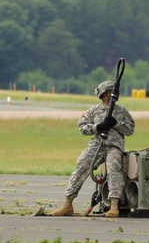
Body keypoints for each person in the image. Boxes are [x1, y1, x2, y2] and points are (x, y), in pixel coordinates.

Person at [51, 80, 135, 217]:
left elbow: (130, 130)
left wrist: (117, 123)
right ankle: (67, 204)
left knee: (114, 170)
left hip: (114, 146)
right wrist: (98, 127)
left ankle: (114, 206)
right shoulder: (93, 111)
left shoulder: (122, 112)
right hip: (97, 145)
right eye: (113, 91)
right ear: (105, 93)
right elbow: (82, 127)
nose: (116, 94)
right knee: (81, 166)